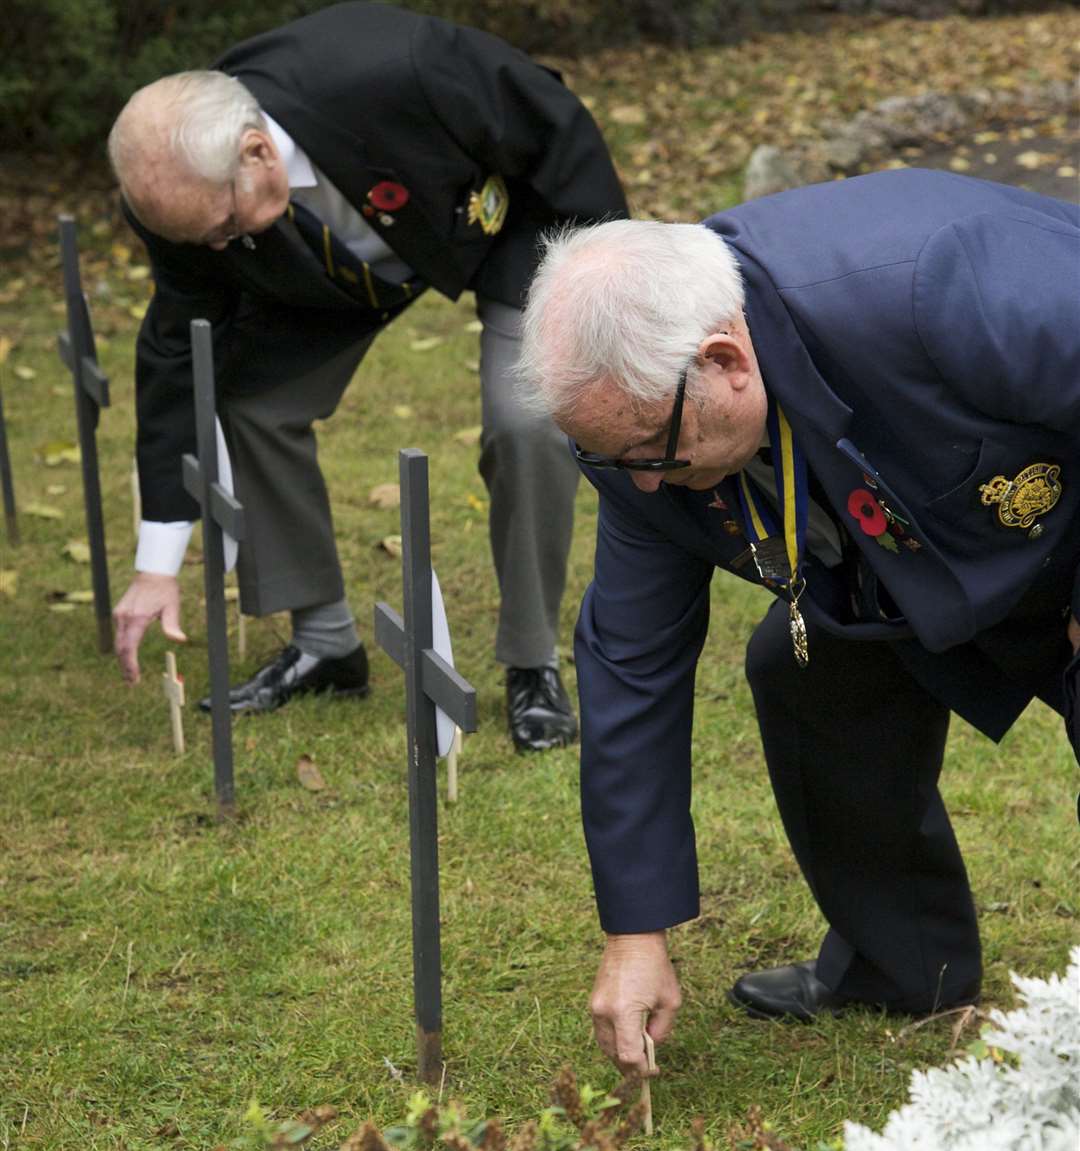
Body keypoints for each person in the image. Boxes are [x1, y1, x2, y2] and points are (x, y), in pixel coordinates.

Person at [515, 168, 1080, 1073]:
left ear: (726, 361)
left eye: (652, 454)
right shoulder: (634, 431)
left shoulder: (941, 279)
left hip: (1058, 536)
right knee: (804, 671)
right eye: (609, 458)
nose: (645, 485)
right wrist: (634, 930)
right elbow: (631, 659)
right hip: (906, 559)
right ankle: (900, 967)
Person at [106, 2, 628, 752]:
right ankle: (325, 642)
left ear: (257, 152)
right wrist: (157, 562)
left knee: (526, 420)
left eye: (222, 229)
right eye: (203, 239)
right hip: (334, 278)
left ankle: (532, 661)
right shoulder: (185, 199)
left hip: (498, 226)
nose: (216, 248)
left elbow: (558, 130)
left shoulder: (400, 67)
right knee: (252, 402)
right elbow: (174, 353)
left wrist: (607, 280)